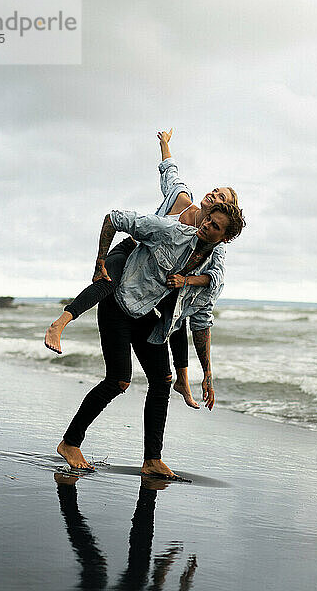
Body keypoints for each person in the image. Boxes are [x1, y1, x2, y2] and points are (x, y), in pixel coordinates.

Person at [45, 129, 239, 408]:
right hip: (132, 251)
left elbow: (214, 280)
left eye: (221, 197)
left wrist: (188, 281)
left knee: (179, 312)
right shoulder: (181, 200)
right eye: (215, 190)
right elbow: (170, 173)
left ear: (224, 215)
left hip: (162, 277)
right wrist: (164, 144)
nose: (214, 194)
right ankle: (60, 323)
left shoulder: (212, 242)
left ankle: (182, 378)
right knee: (109, 279)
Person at [57, 201, 246, 478]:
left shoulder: (212, 274)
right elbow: (114, 218)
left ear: (225, 239)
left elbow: (201, 321)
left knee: (162, 381)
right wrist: (100, 261)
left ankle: (152, 460)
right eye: (207, 220)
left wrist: (207, 374)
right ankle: (70, 443)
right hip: (118, 302)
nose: (205, 225)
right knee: (119, 379)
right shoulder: (174, 231)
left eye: (214, 226)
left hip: (143, 312)